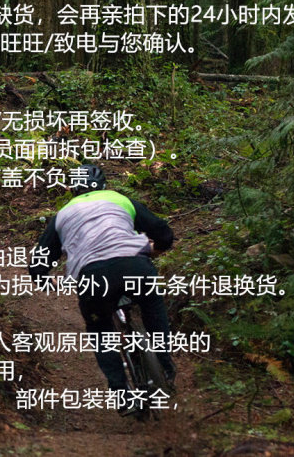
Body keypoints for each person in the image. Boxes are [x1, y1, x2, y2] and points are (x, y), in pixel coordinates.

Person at [28, 164, 176, 415]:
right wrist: (157, 249)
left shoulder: (62, 216)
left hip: (94, 277)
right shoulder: (120, 200)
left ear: (73, 189)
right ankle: (165, 366)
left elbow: (38, 264)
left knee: (101, 331)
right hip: (135, 265)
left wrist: (45, 281)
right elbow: (163, 232)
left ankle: (122, 395)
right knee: (152, 304)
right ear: (105, 184)